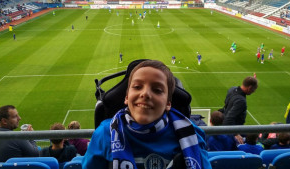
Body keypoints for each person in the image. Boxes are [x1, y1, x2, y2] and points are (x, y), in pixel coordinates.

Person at [83, 60, 211, 169]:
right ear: (127, 97)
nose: (145, 94)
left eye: (157, 90)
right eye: (138, 87)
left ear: (168, 103)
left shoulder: (192, 134)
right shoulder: (105, 134)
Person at [219, 76, 258, 144]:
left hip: (229, 126)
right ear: (249, 88)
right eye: (253, 90)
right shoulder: (241, 101)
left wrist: (253, 80)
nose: (253, 92)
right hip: (233, 129)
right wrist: (236, 134)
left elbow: (226, 104)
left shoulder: (232, 89)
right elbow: (228, 119)